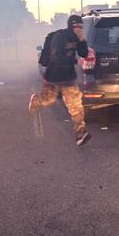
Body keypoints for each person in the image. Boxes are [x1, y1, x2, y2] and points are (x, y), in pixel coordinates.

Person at [28, 15, 91, 146]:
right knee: (48, 100)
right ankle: (36, 101)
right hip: (53, 75)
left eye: (81, 27)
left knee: (75, 105)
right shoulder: (59, 37)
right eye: (77, 27)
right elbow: (56, 57)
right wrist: (75, 60)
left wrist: (82, 39)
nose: (79, 29)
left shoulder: (77, 38)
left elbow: (84, 54)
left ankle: (81, 132)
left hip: (68, 77)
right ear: (71, 26)